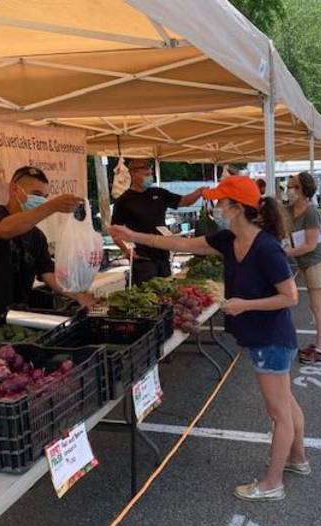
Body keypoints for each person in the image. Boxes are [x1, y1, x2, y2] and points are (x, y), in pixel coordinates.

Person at [110, 176, 307, 502]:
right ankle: (298, 459)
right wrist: (131, 235)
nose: (213, 206)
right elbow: (179, 244)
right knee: (286, 404)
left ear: (234, 207)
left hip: (271, 339)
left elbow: (290, 297)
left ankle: (273, 482)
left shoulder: (267, 247)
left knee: (279, 413)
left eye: (219, 201)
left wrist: (245, 305)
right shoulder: (228, 239)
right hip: (263, 338)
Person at [0, 166, 93, 328]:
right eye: (36, 194)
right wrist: (51, 206)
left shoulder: (36, 236)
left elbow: (48, 274)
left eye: (45, 197)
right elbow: (5, 230)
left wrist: (78, 295)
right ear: (14, 189)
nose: (42, 200)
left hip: (15, 320)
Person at [110, 158, 204, 284]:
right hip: (142, 257)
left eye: (151, 174)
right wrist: (126, 250)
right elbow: (115, 230)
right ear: (133, 173)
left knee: (166, 289)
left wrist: (200, 192)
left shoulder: (159, 193)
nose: (150, 177)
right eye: (146, 174)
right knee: (147, 292)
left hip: (163, 253)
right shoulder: (124, 201)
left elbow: (184, 201)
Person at [285, 173, 321, 364]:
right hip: (304, 263)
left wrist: (285, 253)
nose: (289, 190)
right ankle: (318, 345)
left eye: (294, 187)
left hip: (316, 262)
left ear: (303, 190)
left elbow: (311, 244)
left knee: (317, 305)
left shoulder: (311, 212)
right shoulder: (287, 210)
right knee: (314, 305)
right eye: (289, 186)